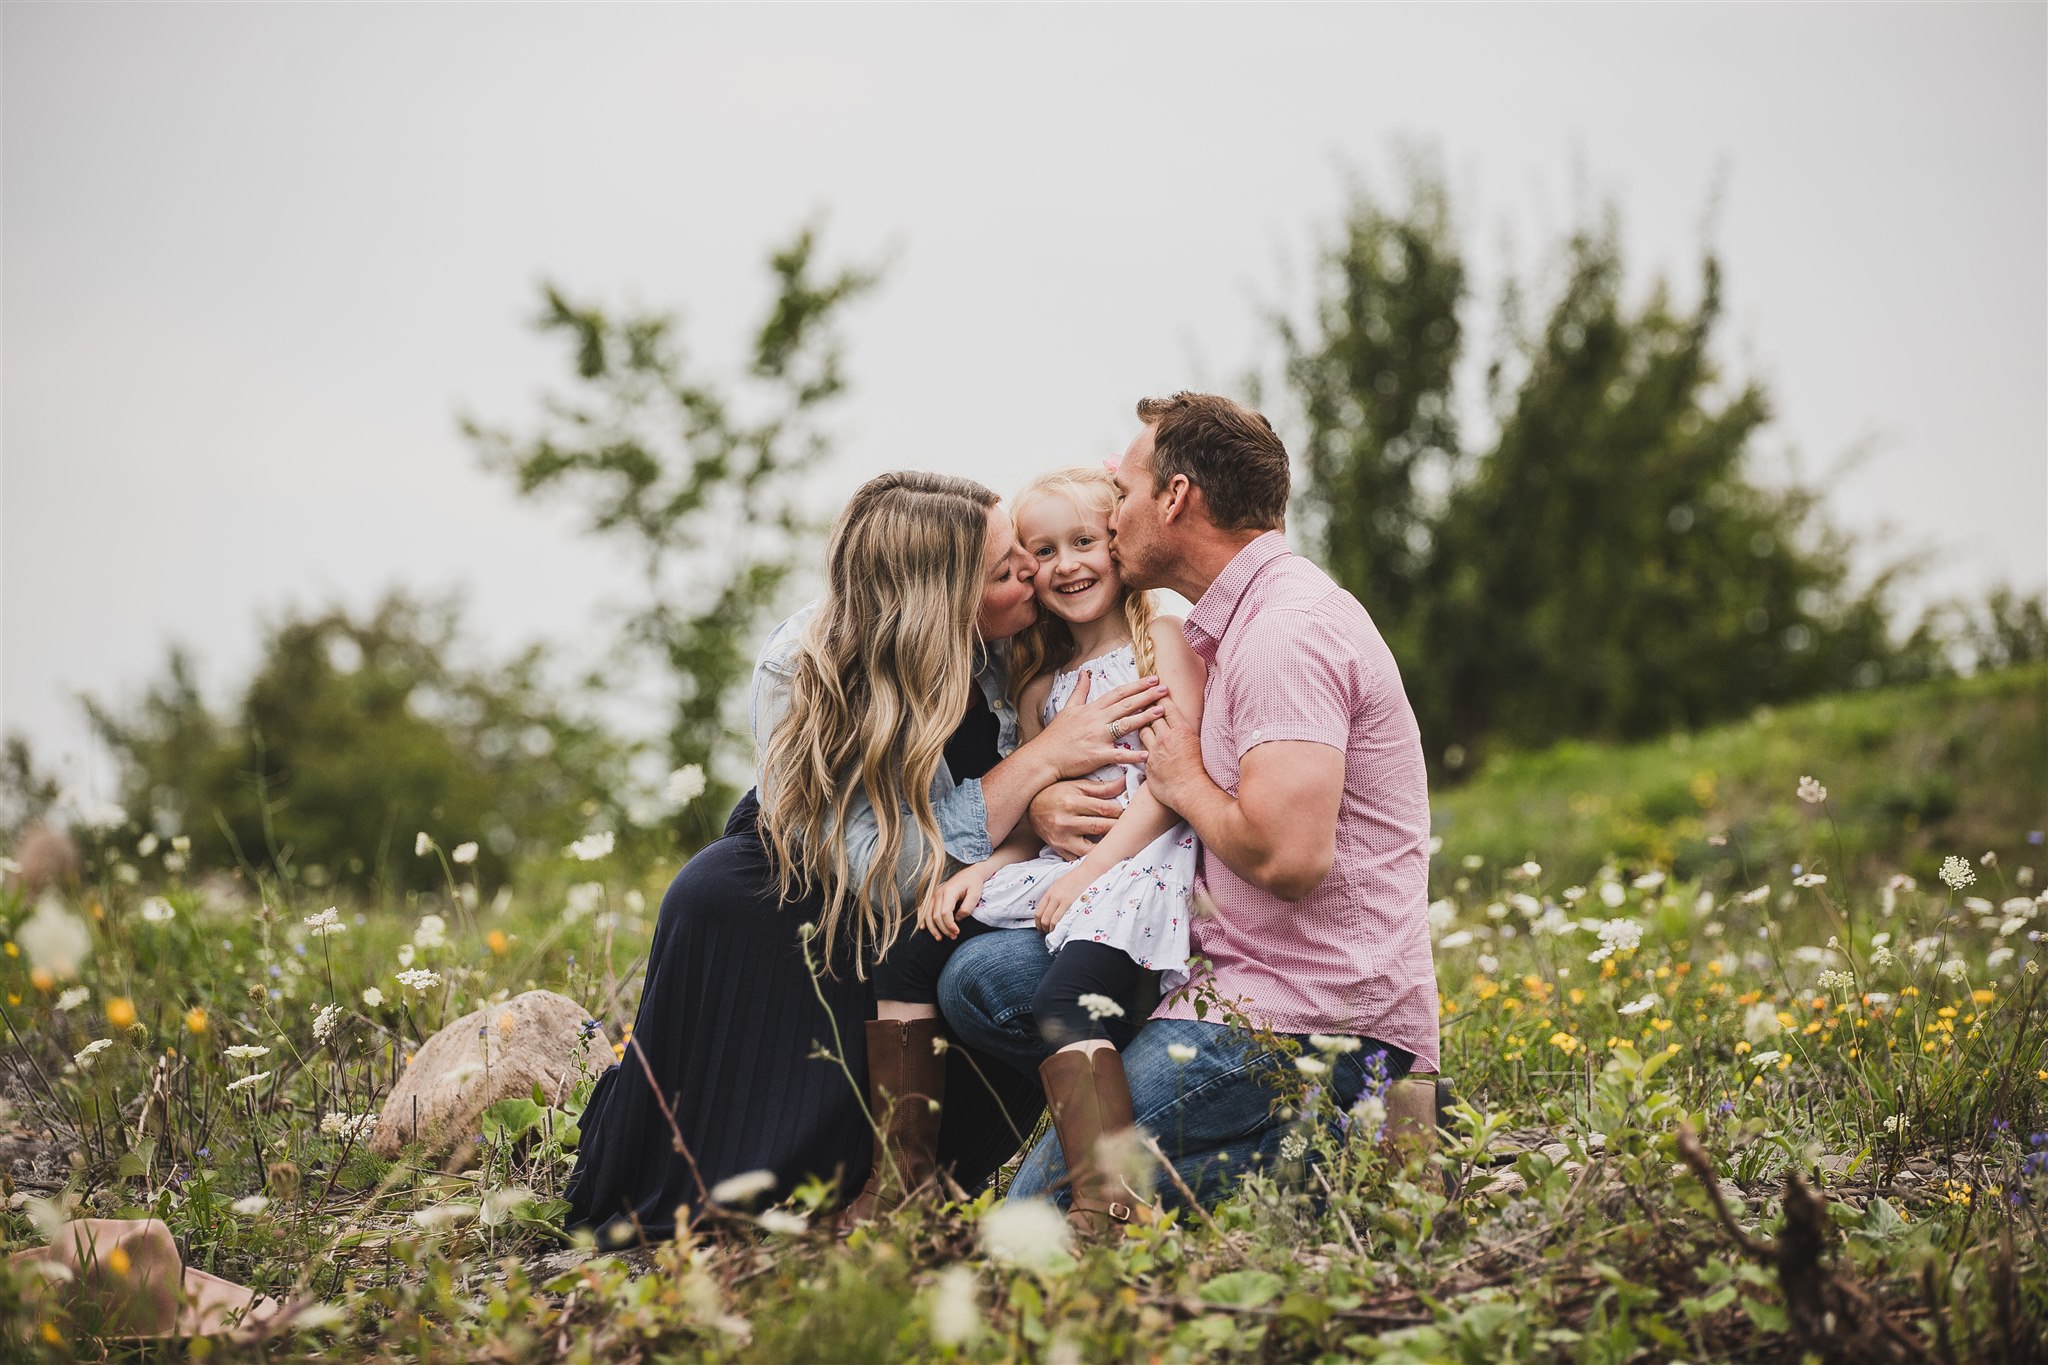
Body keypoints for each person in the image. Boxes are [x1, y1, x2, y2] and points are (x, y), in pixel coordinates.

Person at [563, 471, 1171, 1244]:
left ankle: (911, 1180)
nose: (1031, 570)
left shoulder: (1027, 632)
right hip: (810, 884)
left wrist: (1041, 805)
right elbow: (866, 859)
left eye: (1023, 549)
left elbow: (1087, 709)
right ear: (943, 598)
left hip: (961, 885)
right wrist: (1033, 772)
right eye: (1005, 565)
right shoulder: (802, 663)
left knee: (950, 960)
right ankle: (864, 1183)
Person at [936, 392, 1440, 1218]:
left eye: (1125, 493)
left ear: (1175, 499)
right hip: (1219, 965)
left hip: (1303, 1015)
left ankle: (1362, 1140)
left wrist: (1182, 781)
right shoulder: (1227, 624)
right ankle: (1191, 1122)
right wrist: (1052, 810)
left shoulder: (1287, 631)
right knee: (981, 980)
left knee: (1035, 1227)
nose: (1115, 511)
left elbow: (1290, 857)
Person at [855, 467, 1205, 1236]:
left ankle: (1111, 1204)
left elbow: (1175, 783)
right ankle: (902, 1177)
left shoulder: (1165, 642)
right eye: (1041, 550)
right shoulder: (1038, 684)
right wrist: (985, 867)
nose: (1066, 563)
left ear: (1119, 546)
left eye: (1085, 541)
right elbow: (1029, 822)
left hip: (1138, 861)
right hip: (1063, 866)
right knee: (911, 943)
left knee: (1064, 1002)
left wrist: (1090, 869)